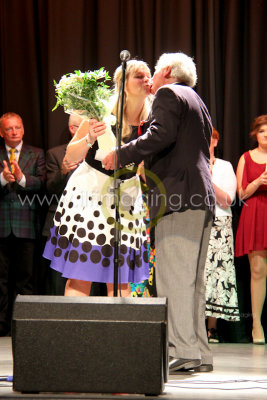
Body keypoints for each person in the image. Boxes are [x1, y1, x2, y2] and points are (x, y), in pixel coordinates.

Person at [103, 52, 215, 372]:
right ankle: (199, 352)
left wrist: (121, 153)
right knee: (192, 282)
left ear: (166, 70)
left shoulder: (168, 93)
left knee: (174, 279)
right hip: (200, 198)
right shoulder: (196, 99)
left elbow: (160, 135)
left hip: (178, 198)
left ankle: (183, 349)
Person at [43, 60, 152, 297]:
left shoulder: (152, 120)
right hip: (91, 195)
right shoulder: (101, 112)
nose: (146, 80)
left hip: (126, 198)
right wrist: (89, 137)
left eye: (148, 76)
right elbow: (70, 157)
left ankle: (119, 334)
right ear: (123, 84)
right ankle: (76, 333)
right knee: (82, 272)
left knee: (121, 278)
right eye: (139, 77)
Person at [0, 112, 46, 336]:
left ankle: (25, 327)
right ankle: (2, 327)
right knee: (0, 281)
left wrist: (21, 178)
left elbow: (42, 183)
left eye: (17, 127)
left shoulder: (36, 154)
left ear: (24, 129)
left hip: (26, 226)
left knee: (25, 279)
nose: (14, 132)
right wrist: (2, 178)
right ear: (1, 132)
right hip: (1, 227)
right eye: (9, 129)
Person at [205, 127, 239, 343]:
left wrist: (207, 177)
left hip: (220, 223)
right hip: (195, 221)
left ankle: (212, 327)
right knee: (197, 273)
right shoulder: (189, 164)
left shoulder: (225, 166)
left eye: (208, 139)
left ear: (215, 141)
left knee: (217, 273)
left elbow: (227, 199)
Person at [41, 114, 83, 295]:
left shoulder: (98, 153)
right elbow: (50, 188)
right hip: (61, 226)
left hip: (90, 226)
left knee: (88, 278)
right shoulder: (56, 154)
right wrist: (64, 170)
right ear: (73, 129)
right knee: (59, 280)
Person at [235, 115, 267, 345]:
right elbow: (241, 194)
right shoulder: (245, 158)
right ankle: (256, 324)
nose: (266, 135)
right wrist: (258, 181)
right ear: (255, 134)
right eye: (262, 131)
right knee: (257, 271)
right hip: (255, 213)